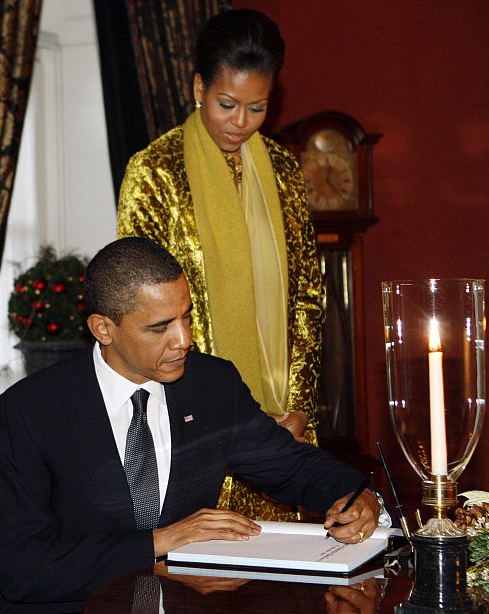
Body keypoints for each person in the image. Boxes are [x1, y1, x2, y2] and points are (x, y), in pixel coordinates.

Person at [0, 238, 385, 614]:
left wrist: (352, 493)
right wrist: (160, 541)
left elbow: (291, 465)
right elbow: (24, 569)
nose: (184, 340)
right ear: (103, 329)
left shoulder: (211, 384)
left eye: (187, 316)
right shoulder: (32, 411)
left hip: (185, 610)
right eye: (160, 327)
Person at [117, 8, 324, 522]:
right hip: (194, 427)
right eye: (226, 104)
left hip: (284, 426)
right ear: (197, 87)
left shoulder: (282, 170)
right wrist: (219, 417)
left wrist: (297, 407)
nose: (240, 123)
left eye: (257, 108)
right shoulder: (155, 172)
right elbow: (147, 315)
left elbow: (308, 298)